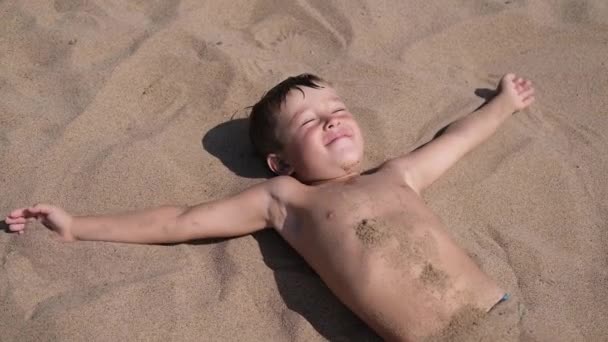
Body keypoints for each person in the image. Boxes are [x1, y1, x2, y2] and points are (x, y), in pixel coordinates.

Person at [5, 73, 534, 340]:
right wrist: (75, 226)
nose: (329, 119)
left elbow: (457, 140)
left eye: (336, 109)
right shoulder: (285, 200)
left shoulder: (398, 173)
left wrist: (504, 104)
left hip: (502, 315)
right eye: (309, 122)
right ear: (279, 162)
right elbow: (180, 220)